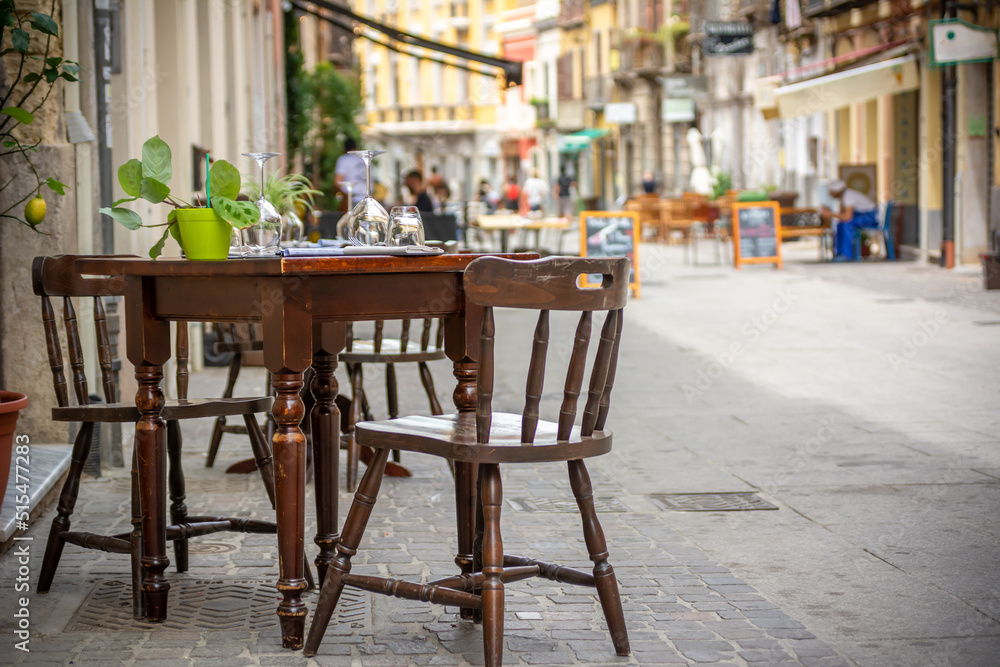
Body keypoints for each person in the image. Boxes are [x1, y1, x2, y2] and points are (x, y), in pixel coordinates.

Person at [820, 179, 878, 261]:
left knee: (847, 224)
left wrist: (830, 214)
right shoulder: (843, 197)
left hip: (870, 217)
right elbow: (842, 216)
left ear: (837, 191)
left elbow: (847, 217)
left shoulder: (848, 196)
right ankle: (839, 253)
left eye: (831, 192)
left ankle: (846, 255)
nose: (830, 194)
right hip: (861, 215)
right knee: (840, 224)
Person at [335, 137, 366, 208]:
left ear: (344, 149)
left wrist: (343, 197)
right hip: (367, 198)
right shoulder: (363, 159)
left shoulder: (344, 159)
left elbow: (337, 182)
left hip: (351, 199)